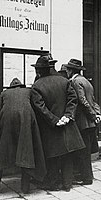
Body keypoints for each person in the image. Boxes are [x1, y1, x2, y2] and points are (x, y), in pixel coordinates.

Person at [30, 56, 85, 192]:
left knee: (53, 157)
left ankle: (54, 184)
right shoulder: (64, 81)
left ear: (39, 71)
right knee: (67, 155)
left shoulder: (37, 86)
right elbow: (73, 99)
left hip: (50, 128)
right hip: (67, 125)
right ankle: (67, 184)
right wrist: (67, 116)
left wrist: (55, 120)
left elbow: (40, 108)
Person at [0, 78, 46, 194]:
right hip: (26, 122)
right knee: (26, 152)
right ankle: (25, 187)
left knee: (1, 153)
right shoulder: (29, 91)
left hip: (6, 123)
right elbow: (37, 108)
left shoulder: (4, 94)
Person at [65, 59, 101, 185]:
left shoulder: (74, 81)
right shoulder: (86, 81)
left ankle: (86, 178)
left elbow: (82, 100)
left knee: (83, 153)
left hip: (83, 122)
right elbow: (93, 100)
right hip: (91, 123)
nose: (67, 72)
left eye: (67, 70)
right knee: (86, 152)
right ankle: (86, 176)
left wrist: (92, 115)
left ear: (71, 70)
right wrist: (97, 114)